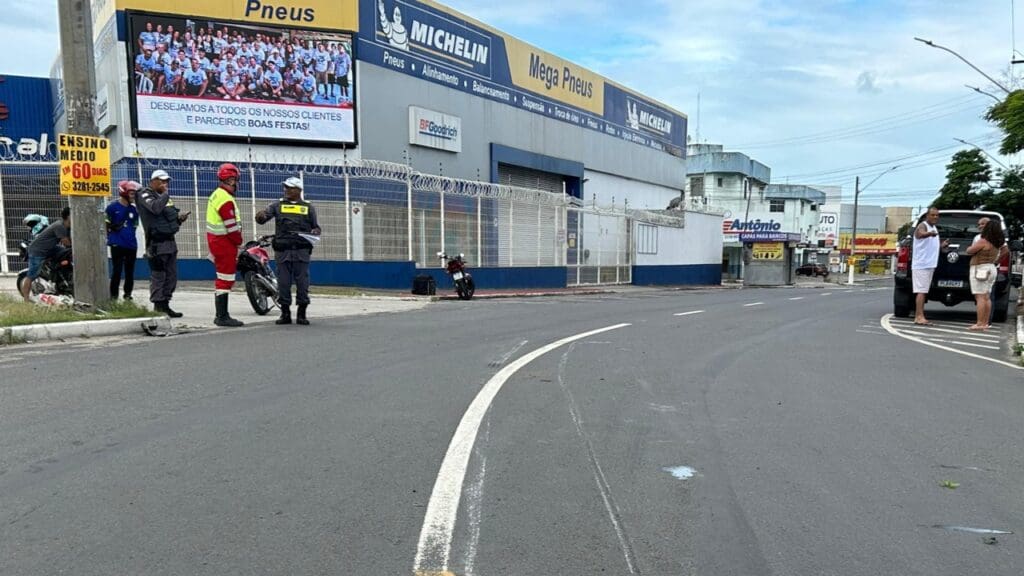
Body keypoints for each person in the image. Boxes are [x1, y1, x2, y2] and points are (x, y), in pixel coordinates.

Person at [255, 177, 321, 325]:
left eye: (290, 187)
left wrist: (315, 232)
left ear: (298, 190)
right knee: (283, 283)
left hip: (301, 251)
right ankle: (285, 313)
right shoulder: (277, 206)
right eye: (285, 187)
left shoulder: (308, 208)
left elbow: (316, 227)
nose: (286, 190)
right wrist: (260, 216)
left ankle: (301, 313)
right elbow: (263, 218)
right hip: (283, 251)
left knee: (302, 283)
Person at [137, 170, 188, 317]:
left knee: (171, 276)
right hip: (156, 244)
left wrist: (179, 219)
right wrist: (165, 194)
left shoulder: (164, 197)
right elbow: (155, 208)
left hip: (170, 242)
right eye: (161, 181)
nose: (165, 184)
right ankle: (158, 306)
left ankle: (165, 304)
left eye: (166, 182)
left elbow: (167, 219)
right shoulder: (144, 194)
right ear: (153, 181)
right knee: (159, 276)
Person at [206, 163, 245, 327]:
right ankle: (222, 316)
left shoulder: (216, 195)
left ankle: (221, 314)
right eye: (235, 180)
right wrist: (239, 241)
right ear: (230, 179)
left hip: (216, 241)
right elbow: (231, 226)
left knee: (223, 278)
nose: (237, 183)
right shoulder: (225, 199)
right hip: (224, 243)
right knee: (225, 279)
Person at [20, 207, 71, 302]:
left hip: (50, 248)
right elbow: (66, 242)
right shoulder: (59, 226)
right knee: (31, 275)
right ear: (68, 216)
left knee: (66, 253)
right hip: (38, 251)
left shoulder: (67, 226)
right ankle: (26, 300)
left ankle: (61, 277)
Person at [911, 206, 948, 325]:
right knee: (921, 291)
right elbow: (919, 234)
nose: (935, 217)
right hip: (921, 264)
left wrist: (942, 245)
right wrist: (928, 234)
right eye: (932, 215)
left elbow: (931, 247)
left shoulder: (934, 228)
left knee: (924, 291)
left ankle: (920, 315)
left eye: (937, 215)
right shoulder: (923, 225)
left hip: (930, 264)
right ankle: (919, 316)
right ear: (927, 216)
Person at [965, 220, 1005, 331]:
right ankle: (986, 322)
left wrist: (970, 248)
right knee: (987, 297)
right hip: (991, 268)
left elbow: (969, 250)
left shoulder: (983, 241)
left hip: (980, 268)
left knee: (980, 297)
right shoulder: (997, 242)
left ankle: (979, 323)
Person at [107, 181, 141, 301]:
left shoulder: (134, 210)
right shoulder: (112, 207)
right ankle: (113, 297)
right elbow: (106, 224)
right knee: (117, 271)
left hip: (131, 245)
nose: (133, 196)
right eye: (131, 193)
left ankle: (128, 295)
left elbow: (134, 226)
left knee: (130, 272)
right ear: (124, 193)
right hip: (117, 244)